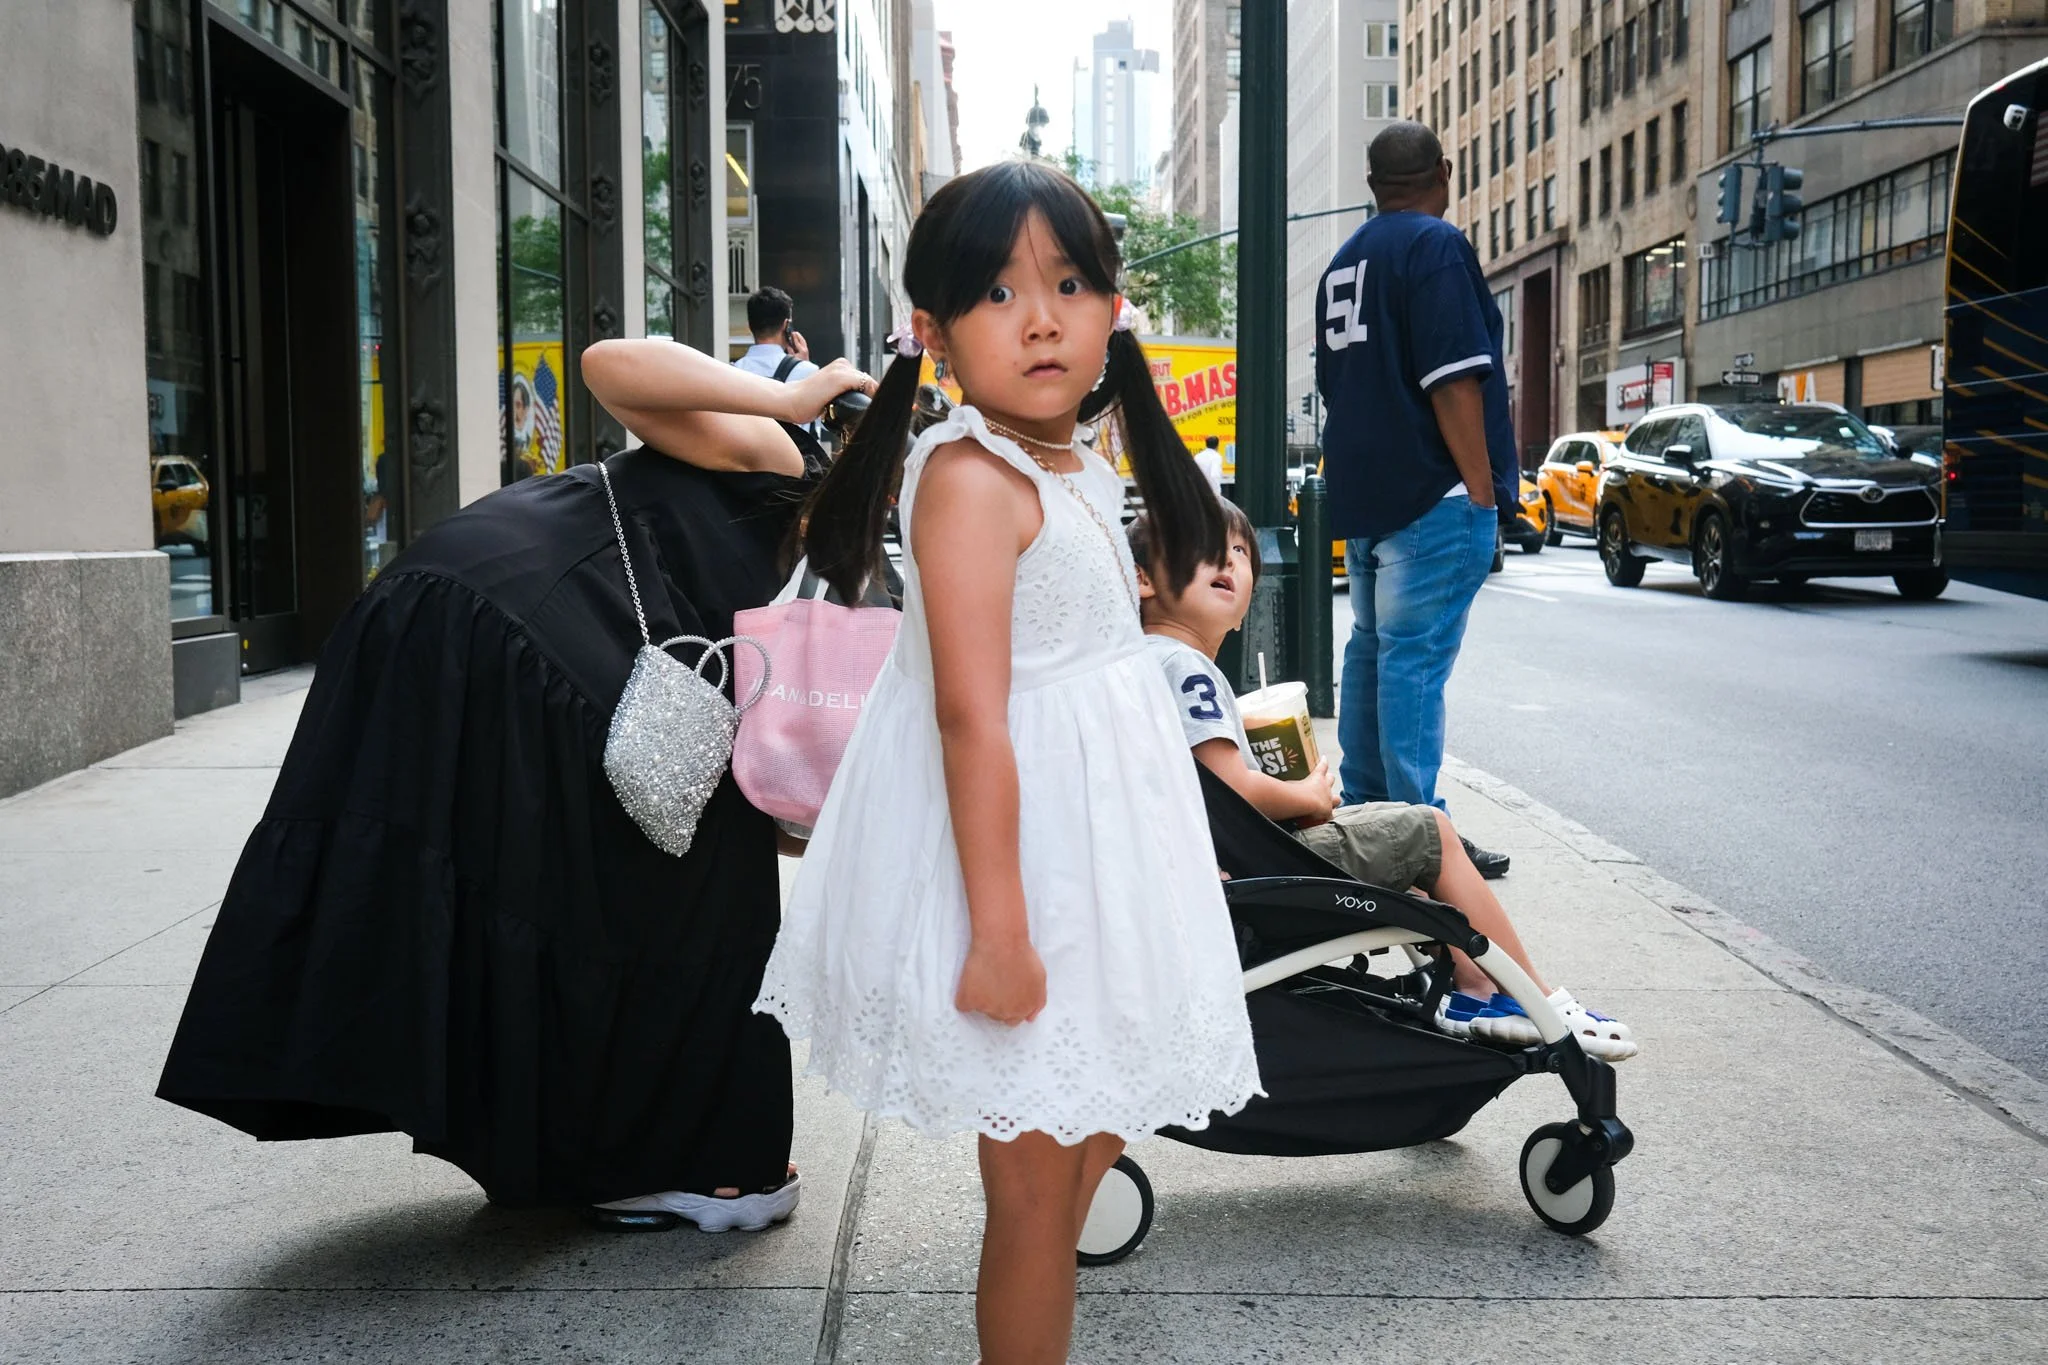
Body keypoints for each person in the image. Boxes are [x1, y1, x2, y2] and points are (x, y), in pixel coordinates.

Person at [156, 340, 878, 1230]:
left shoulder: (841, 562)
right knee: (679, 881)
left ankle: (662, 1151)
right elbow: (610, 363)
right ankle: (690, 1156)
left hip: (515, 629)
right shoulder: (781, 451)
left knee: (642, 875)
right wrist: (790, 397)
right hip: (498, 617)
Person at [752, 162, 1260, 1365]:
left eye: (1071, 283)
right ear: (931, 333)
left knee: (1093, 1135)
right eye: (995, 291)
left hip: (1097, 863)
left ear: (1111, 307)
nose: (1040, 317)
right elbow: (969, 719)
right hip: (1024, 873)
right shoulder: (971, 478)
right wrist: (996, 932)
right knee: (1033, 1201)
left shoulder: (1073, 463)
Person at [1128, 504, 1637, 1062]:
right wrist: (1308, 796)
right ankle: (1513, 995)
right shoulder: (1186, 668)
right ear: (1144, 580)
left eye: (1240, 552)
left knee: (1408, 874)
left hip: (1221, 865)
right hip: (1256, 874)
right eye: (1199, 546)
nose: (1226, 559)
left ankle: (1473, 985)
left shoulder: (1142, 663)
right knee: (1428, 830)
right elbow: (1229, 789)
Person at [1317, 121, 1516, 878]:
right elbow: (1454, 379)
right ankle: (1423, 836)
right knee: (1411, 663)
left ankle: (1368, 819)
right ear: (1445, 171)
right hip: (1431, 492)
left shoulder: (1344, 262)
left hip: (1366, 492)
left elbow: (1339, 387)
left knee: (1373, 651)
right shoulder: (1434, 246)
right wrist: (1478, 488)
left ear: (1372, 186)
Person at [733, 286, 821, 387]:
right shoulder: (807, 371)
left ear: (749, 326)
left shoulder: (730, 373)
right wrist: (803, 365)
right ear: (786, 325)